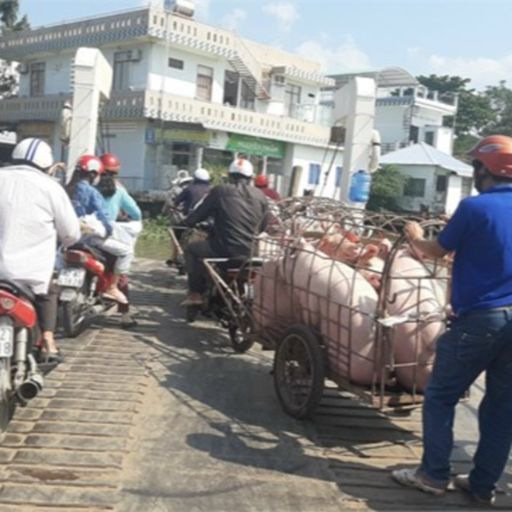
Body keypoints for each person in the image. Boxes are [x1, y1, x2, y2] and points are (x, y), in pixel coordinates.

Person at [391, 135, 512, 507]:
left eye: (475, 165)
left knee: (441, 396)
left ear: (485, 169)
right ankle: (482, 485)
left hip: (480, 320)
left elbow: (435, 250)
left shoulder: (474, 208)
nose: (474, 172)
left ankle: (433, 475)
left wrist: (415, 236)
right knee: (501, 406)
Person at [0, 138, 81, 363]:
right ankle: (48, 341)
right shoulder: (50, 187)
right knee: (50, 290)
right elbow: (71, 234)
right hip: (30, 274)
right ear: (46, 165)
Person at [180, 157, 268, 306]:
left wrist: (186, 222)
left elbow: (199, 214)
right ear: (251, 178)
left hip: (223, 249)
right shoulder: (260, 195)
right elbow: (263, 226)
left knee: (191, 250)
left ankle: (195, 293)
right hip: (251, 251)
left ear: (229, 175)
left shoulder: (220, 191)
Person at [66, 155, 129, 304]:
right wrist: (108, 231)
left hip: (65, 236)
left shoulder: (65, 189)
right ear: (93, 174)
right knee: (126, 251)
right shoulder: (92, 192)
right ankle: (112, 287)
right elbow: (104, 216)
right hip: (87, 237)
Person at [98, 153, 142, 328]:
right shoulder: (118, 189)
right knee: (122, 274)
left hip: (83, 235)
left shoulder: (85, 186)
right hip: (107, 236)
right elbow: (136, 213)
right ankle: (125, 315)